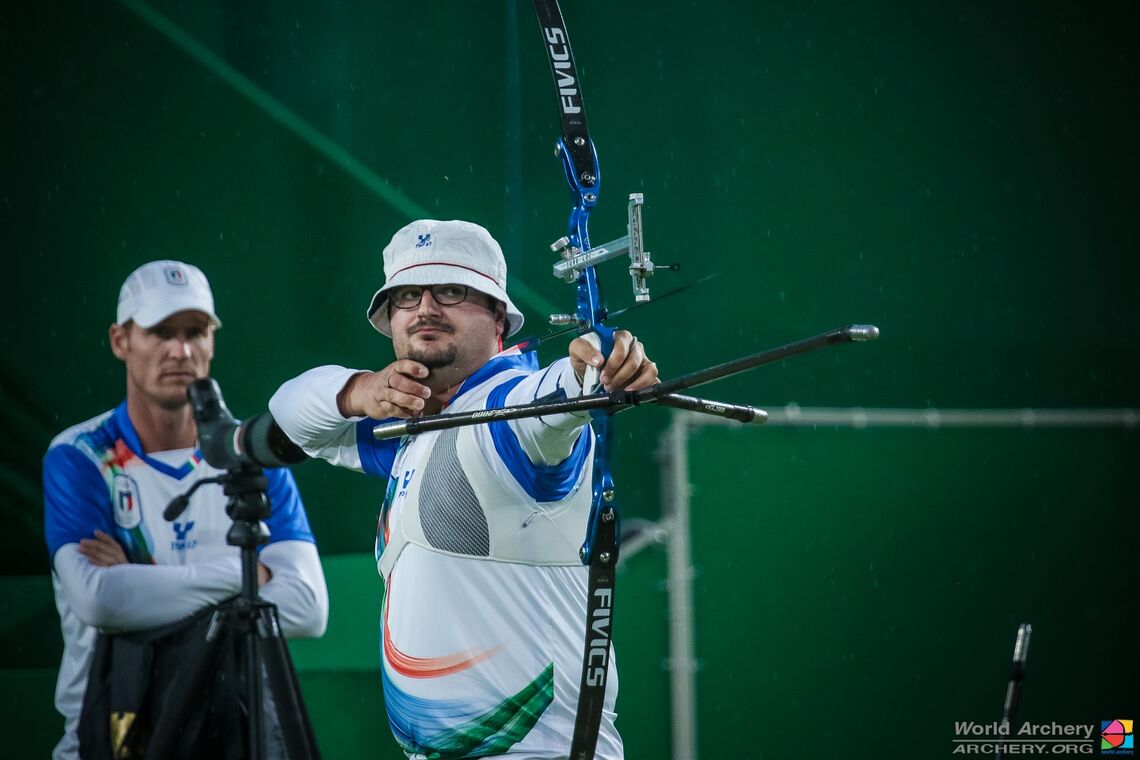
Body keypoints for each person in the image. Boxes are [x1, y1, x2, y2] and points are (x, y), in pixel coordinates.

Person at [269, 219, 657, 759]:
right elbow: (289, 412)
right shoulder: (412, 430)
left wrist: (600, 360)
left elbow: (562, 391)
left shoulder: (511, 410)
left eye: (451, 291)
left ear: (498, 315)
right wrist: (362, 389)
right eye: (407, 296)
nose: (425, 308)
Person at [43, 260, 329, 760]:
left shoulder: (253, 453)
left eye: (195, 332)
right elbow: (99, 600)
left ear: (212, 341)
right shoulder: (80, 456)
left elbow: (308, 609)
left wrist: (139, 580)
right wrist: (247, 577)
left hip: (236, 734)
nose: (181, 351)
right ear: (120, 340)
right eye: (160, 332)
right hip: (112, 734)